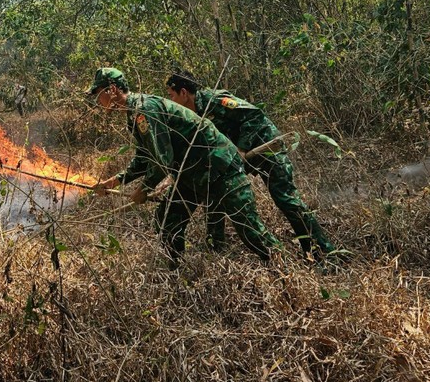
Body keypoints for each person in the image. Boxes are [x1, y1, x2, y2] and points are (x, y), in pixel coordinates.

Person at [87, 67, 281, 267]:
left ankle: (284, 266)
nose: (97, 100)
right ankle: (176, 273)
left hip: (220, 168)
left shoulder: (144, 109)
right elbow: (145, 157)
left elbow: (163, 159)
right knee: (167, 220)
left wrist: (144, 189)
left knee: (250, 231)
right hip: (191, 173)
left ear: (112, 89)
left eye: (98, 93)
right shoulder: (134, 114)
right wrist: (117, 180)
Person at [165, 69, 340, 261]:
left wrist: (241, 148)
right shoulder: (193, 115)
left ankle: (323, 252)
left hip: (267, 149)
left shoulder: (215, 100)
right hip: (241, 159)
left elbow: (254, 116)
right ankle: (216, 248)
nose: (170, 101)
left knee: (287, 201)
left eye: (171, 95)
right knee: (214, 193)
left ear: (183, 93)